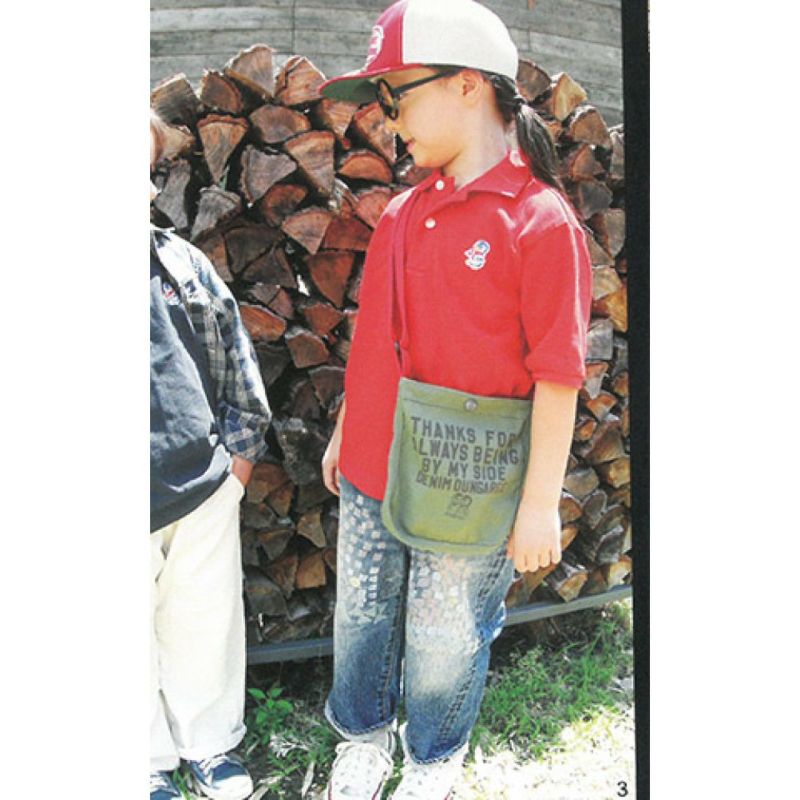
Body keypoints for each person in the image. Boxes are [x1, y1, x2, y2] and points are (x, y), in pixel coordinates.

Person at [317, 1, 593, 798]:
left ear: (468, 85)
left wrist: (538, 505)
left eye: (396, 95)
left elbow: (558, 374)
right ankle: (361, 737)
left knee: (445, 634)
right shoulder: (403, 212)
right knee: (361, 612)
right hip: (373, 462)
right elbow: (375, 334)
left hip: (468, 483)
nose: (388, 118)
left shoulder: (540, 223)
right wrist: (345, 431)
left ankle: (433, 758)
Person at [149, 109, 271, 800]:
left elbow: (236, 365)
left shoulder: (179, 262)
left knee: (203, 621)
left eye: (147, 170)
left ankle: (211, 744)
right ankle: (141, 758)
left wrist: (237, 472)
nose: (143, 186)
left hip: (201, 487)